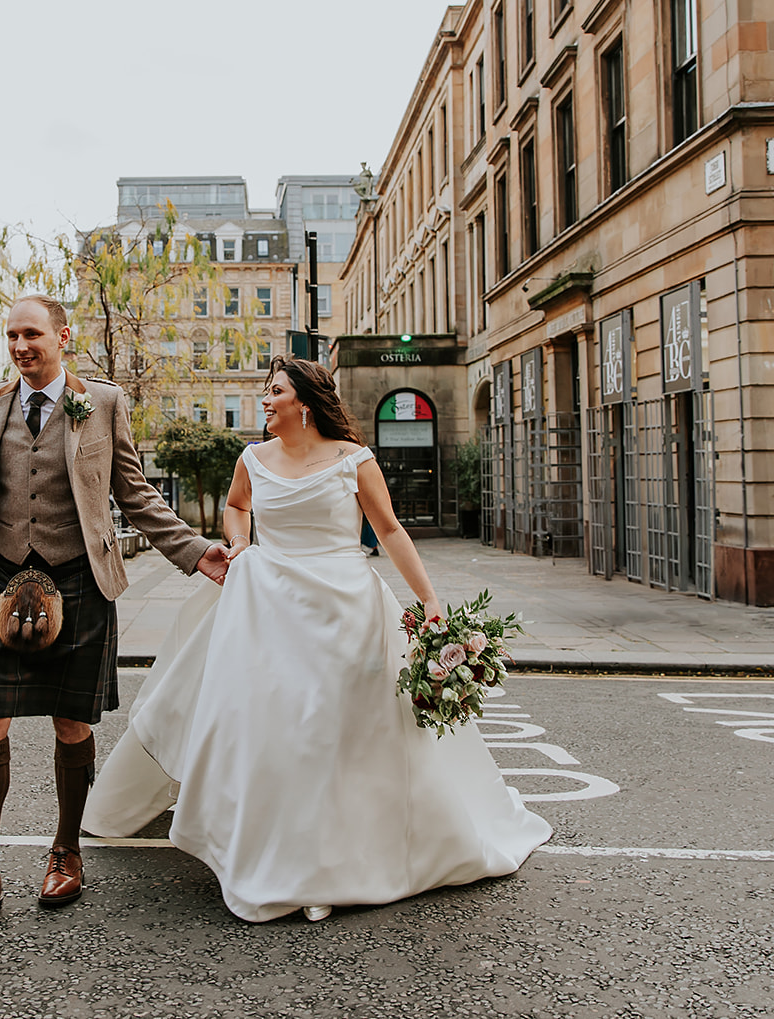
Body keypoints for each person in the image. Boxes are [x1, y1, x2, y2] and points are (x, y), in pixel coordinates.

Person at [84, 356, 550, 922]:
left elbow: (389, 529)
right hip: (273, 609)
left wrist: (427, 599)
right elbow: (236, 509)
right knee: (288, 734)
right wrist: (239, 545)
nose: (264, 400)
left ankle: (348, 856)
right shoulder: (252, 459)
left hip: (347, 609)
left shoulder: (354, 460)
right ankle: (290, 857)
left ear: (304, 402)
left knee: (341, 734)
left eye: (274, 391)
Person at [0, 293, 231, 927]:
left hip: (79, 580)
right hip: (4, 580)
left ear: (63, 337)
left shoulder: (105, 402)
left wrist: (195, 551)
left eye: (32, 334)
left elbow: (134, 491)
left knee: (72, 724)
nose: (20, 346)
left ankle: (66, 853)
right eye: (11, 336)